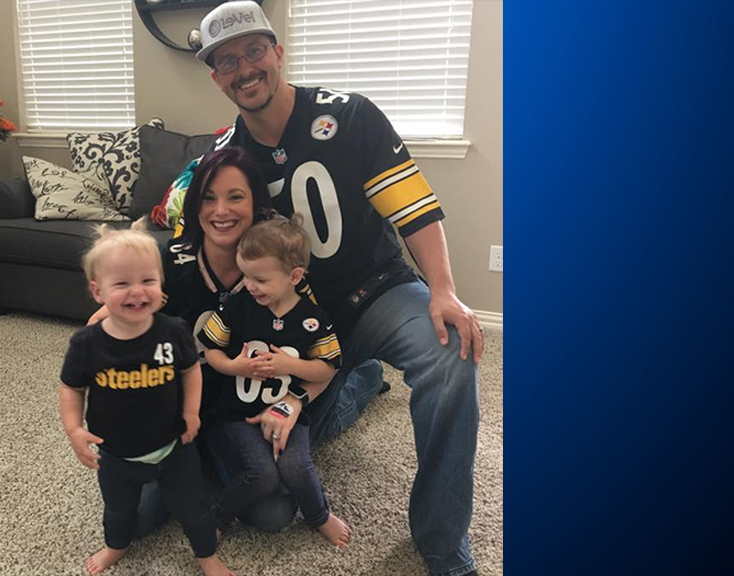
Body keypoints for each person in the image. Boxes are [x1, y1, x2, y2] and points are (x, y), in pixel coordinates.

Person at [195, 2, 484, 575]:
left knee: (451, 351)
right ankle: (358, 381)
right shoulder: (228, 156)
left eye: (254, 51)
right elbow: (204, 240)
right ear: (216, 78)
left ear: (278, 52)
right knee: (286, 451)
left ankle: (442, 542)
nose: (245, 68)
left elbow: (413, 207)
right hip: (292, 321)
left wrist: (444, 289)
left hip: (377, 293)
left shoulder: (349, 115)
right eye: (227, 61)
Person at [88, 147, 316, 534]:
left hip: (243, 414)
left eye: (235, 196)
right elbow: (102, 329)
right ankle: (203, 460)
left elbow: (315, 353)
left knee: (273, 515)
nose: (220, 210)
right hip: (178, 414)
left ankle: (358, 386)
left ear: (257, 203)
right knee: (135, 520)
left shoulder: (278, 271)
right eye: (208, 198)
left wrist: (294, 401)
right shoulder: (168, 263)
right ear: (194, 204)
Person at [61, 221, 232, 576]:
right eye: (122, 283)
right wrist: (74, 430)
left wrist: (191, 412)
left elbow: (191, 370)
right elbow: (72, 388)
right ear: (97, 291)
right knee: (119, 510)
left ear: (160, 283)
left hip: (174, 447)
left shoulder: (174, 331)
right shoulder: (86, 343)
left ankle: (207, 557)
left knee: (194, 508)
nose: (137, 292)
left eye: (147, 280)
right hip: (115, 454)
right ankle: (115, 546)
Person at [199, 214, 350, 547]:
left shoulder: (312, 319)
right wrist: (234, 367)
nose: (250, 285)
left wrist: (289, 365)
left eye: (260, 279)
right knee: (263, 475)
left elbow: (328, 368)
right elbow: (211, 350)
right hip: (238, 416)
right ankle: (217, 517)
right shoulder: (237, 306)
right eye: (245, 276)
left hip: (289, 413)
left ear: (294, 276)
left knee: (297, 467)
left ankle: (318, 516)